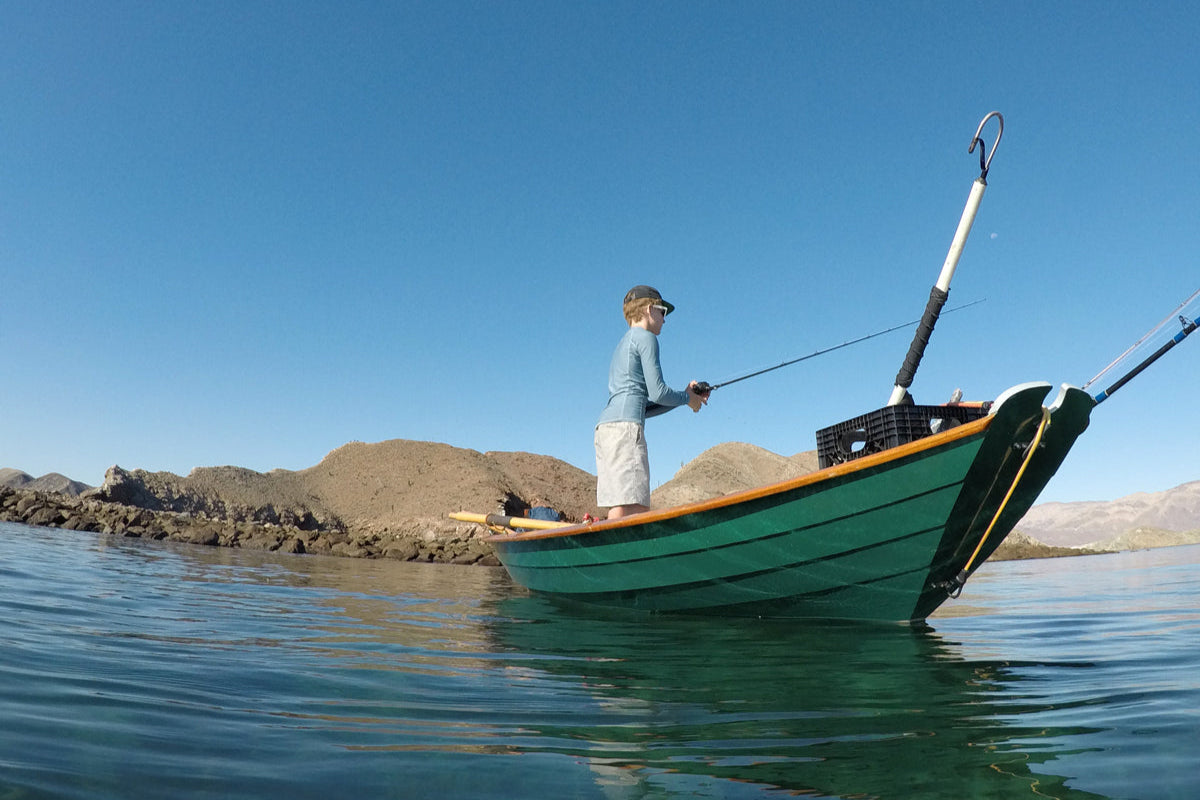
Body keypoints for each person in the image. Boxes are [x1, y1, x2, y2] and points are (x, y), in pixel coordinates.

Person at [594, 285, 708, 519]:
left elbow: (644, 406)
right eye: (662, 312)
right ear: (649, 309)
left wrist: (686, 399)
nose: (665, 320)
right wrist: (687, 398)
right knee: (636, 507)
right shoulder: (646, 338)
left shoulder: (623, 344)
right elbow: (658, 392)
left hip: (606, 429)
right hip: (626, 431)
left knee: (620, 504)